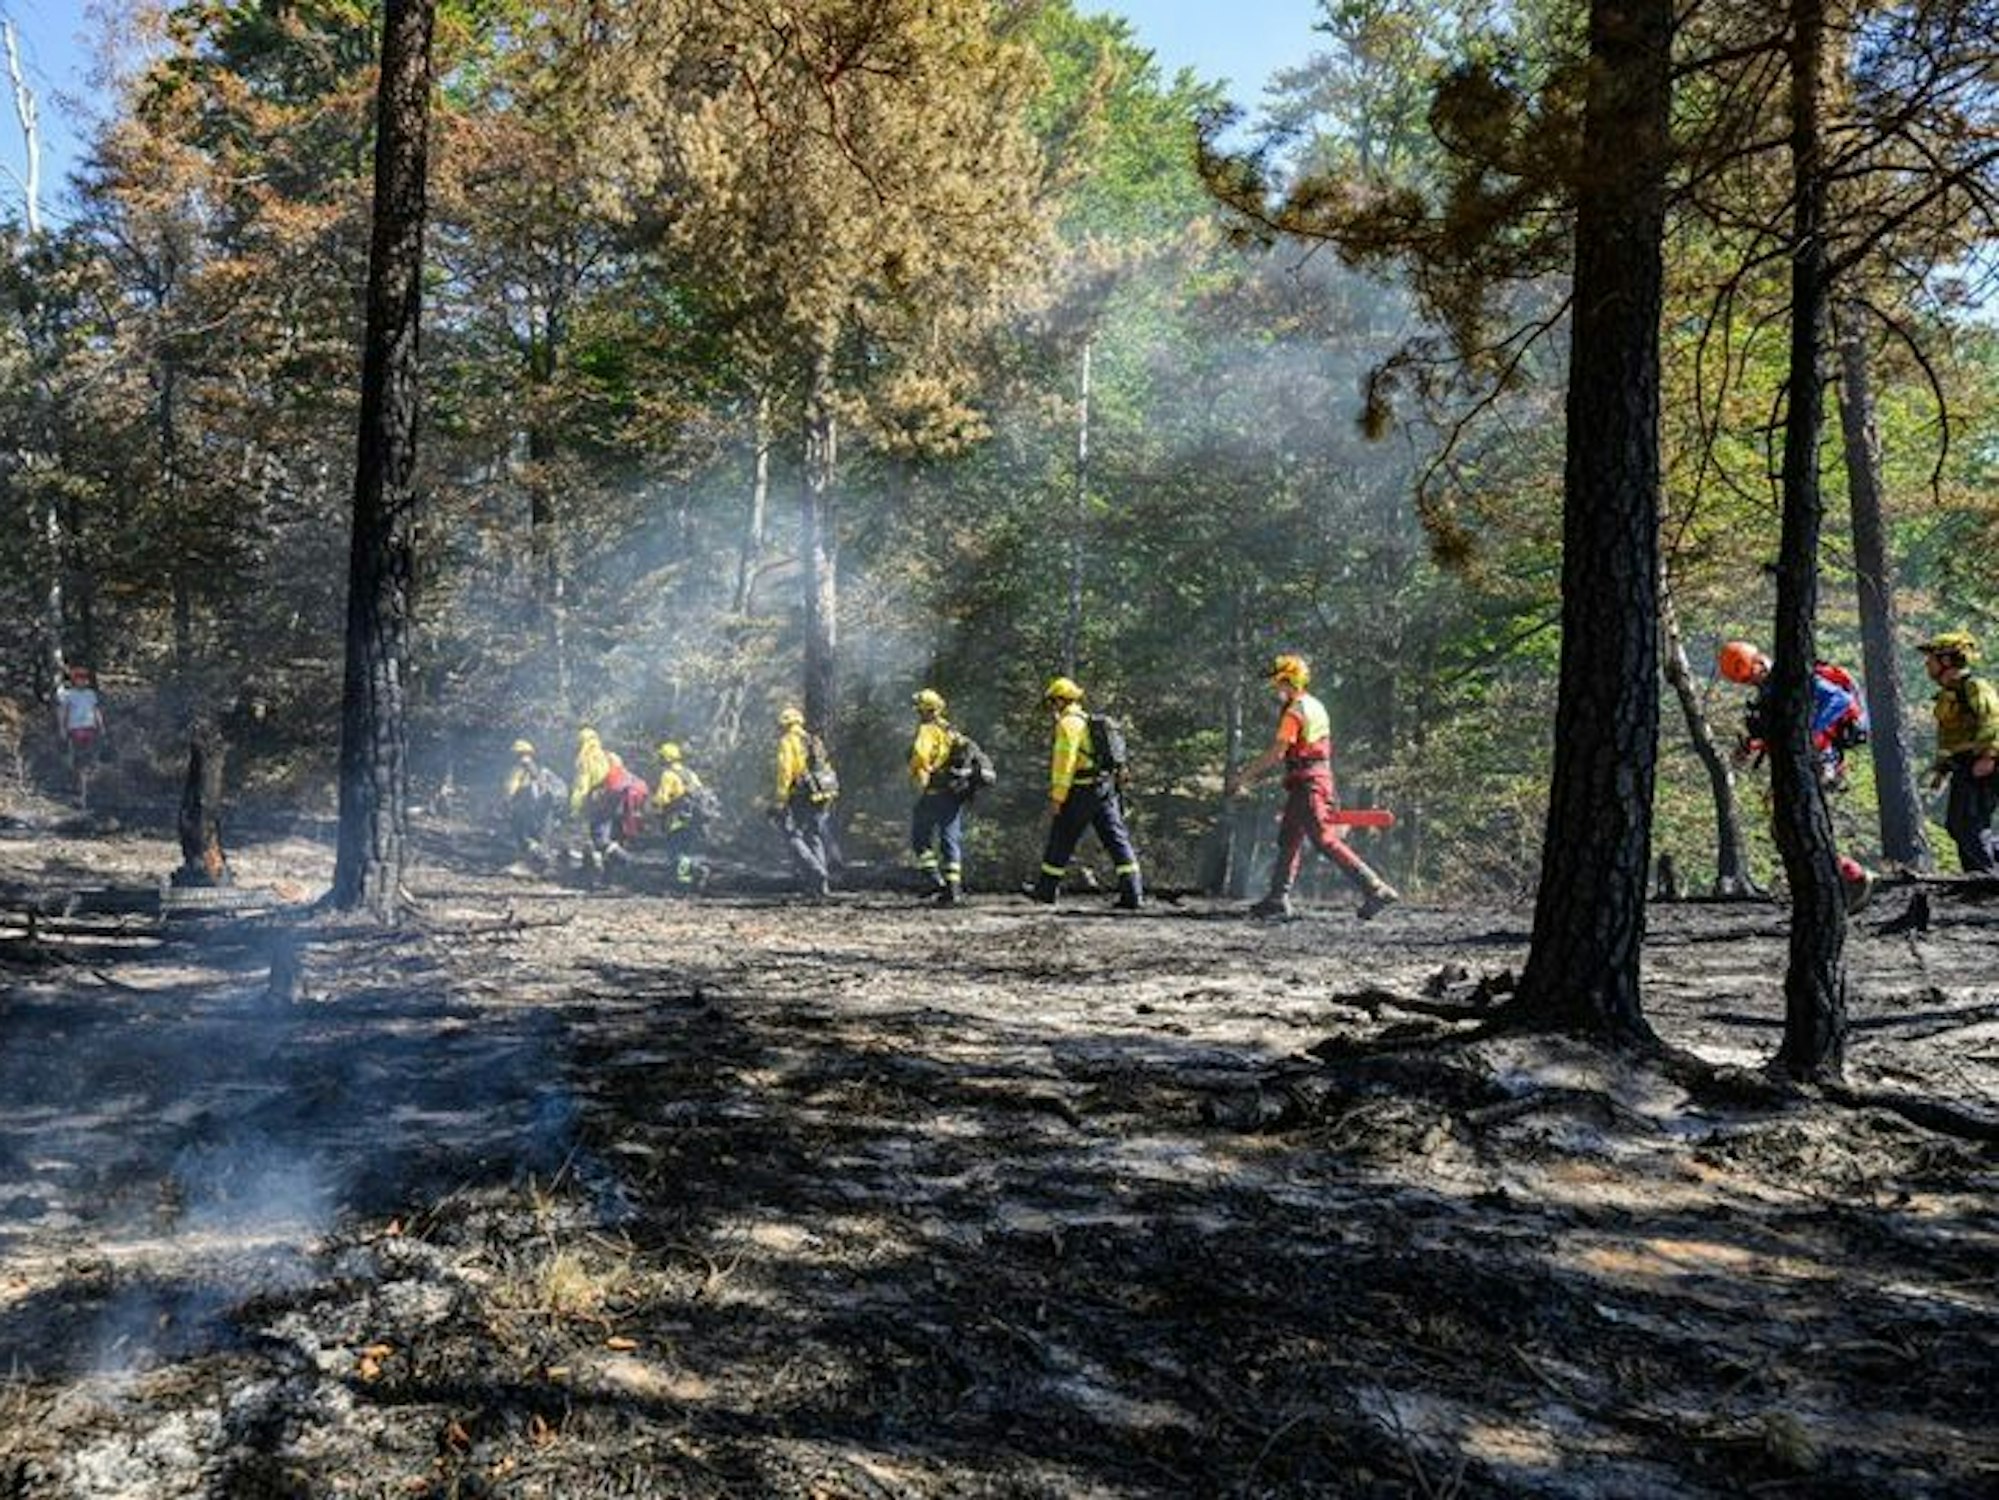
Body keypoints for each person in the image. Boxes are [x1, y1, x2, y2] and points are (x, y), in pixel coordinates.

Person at [1238, 654, 1399, 921]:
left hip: (1308, 782)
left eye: (1277, 683)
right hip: (1314, 779)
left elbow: (1278, 753)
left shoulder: (1294, 711)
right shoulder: (1315, 705)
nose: (1275, 689)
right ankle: (1278, 898)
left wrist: (1243, 776)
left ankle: (1375, 888)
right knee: (1289, 837)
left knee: (1323, 839)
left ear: (1287, 680)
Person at [1718, 639, 1875, 909]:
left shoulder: (1797, 678)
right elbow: (1781, 732)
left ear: (1758, 661)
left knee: (1800, 825)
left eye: (1751, 674)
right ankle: (1835, 881)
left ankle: (1851, 878)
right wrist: (1752, 746)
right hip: (1803, 762)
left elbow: (1840, 699)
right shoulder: (1769, 692)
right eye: (1745, 680)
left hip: (1821, 761)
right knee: (1786, 828)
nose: (1752, 682)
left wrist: (1806, 732)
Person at [1029, 676, 1143, 910]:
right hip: (1103, 789)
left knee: (1061, 837)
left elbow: (1065, 764)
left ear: (1060, 700)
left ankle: (1045, 891)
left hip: (1080, 791)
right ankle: (1133, 893)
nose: (1051, 707)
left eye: (1052, 702)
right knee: (1116, 840)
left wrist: (1058, 797)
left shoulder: (1068, 723)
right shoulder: (1087, 720)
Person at [1917, 631, 1999, 875]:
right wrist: (1941, 769)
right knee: (1957, 824)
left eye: (1931, 658)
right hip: (1966, 764)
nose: (1926, 664)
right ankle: (1978, 876)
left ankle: (1985, 878)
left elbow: (1993, 721)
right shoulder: (1948, 694)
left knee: (1968, 823)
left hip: (1984, 762)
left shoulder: (1974, 686)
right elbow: (1950, 738)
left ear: (1947, 661)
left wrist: (1988, 756)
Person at [908, 688, 969, 906]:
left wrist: (919, 779)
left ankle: (934, 878)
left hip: (934, 792)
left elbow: (921, 756)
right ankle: (953, 890)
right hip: (954, 792)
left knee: (919, 837)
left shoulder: (927, 730)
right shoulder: (951, 730)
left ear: (924, 710)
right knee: (950, 839)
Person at [772, 706, 835, 897]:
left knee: (793, 836)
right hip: (823, 792)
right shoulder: (811, 739)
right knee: (814, 836)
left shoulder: (787, 741)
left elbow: (785, 771)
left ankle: (817, 872)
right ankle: (819, 887)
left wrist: (780, 800)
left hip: (801, 794)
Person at [570, 728, 647, 874]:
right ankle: (611, 876)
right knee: (614, 838)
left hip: (605, 802)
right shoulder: (611, 755)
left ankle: (630, 862)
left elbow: (582, 787)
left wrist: (575, 807)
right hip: (622, 802)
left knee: (600, 839)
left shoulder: (586, 760)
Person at [651, 741, 711, 892]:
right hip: (694, 819)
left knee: (675, 851)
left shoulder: (668, 775)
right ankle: (684, 882)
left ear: (665, 758)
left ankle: (697, 870)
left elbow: (662, 798)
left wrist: (653, 807)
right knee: (685, 850)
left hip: (677, 819)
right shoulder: (690, 773)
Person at [502, 739, 565, 866]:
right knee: (542, 837)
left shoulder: (519, 769)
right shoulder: (542, 769)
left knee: (524, 836)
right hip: (546, 808)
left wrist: (507, 804)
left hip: (527, 809)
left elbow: (510, 790)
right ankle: (543, 866)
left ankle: (538, 862)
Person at [54, 664, 104, 801]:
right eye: (79, 678)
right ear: (74, 680)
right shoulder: (68, 694)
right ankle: (79, 788)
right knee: (79, 759)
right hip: (75, 729)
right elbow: (62, 712)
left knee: (89, 758)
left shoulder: (91, 694)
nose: (82, 681)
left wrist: (101, 726)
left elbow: (96, 710)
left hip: (90, 728)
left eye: (84, 678)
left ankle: (85, 786)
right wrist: (62, 729)